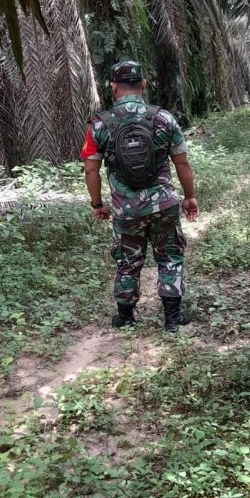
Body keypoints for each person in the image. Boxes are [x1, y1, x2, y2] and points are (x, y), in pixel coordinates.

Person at [81, 60, 199, 332]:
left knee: (127, 261)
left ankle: (125, 318)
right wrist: (189, 197)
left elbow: (91, 170)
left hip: (126, 210)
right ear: (143, 85)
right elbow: (182, 164)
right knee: (170, 256)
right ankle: (172, 319)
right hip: (164, 204)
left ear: (113, 87)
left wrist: (98, 204)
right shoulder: (163, 118)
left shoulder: (100, 125)